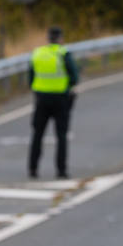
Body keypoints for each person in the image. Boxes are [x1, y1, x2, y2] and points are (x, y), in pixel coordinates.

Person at [27, 26, 79, 179]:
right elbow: (74, 77)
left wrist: (38, 89)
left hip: (41, 99)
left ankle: (32, 168)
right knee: (61, 136)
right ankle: (61, 170)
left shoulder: (38, 53)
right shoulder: (63, 53)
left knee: (37, 134)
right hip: (60, 99)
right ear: (60, 38)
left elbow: (30, 77)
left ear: (48, 38)